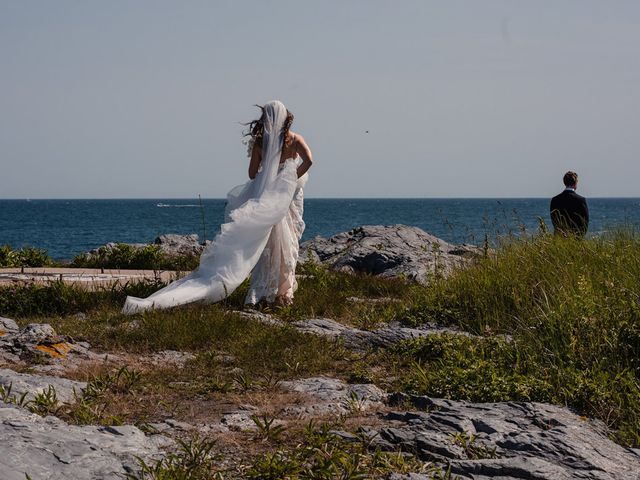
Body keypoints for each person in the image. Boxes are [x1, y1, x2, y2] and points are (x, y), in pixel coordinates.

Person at [123, 100, 313, 314]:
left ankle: (262, 293)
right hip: (284, 200)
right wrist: (288, 180)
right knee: (286, 246)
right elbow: (309, 161)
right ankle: (282, 296)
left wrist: (269, 173)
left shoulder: (261, 143)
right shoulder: (295, 139)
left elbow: (252, 175)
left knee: (266, 247)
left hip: (265, 200)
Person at [549, 171, 589, 237]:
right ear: (575, 183)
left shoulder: (555, 200)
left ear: (564, 182)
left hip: (560, 237)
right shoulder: (581, 200)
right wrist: (580, 236)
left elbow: (554, 221)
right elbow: (585, 222)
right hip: (576, 237)